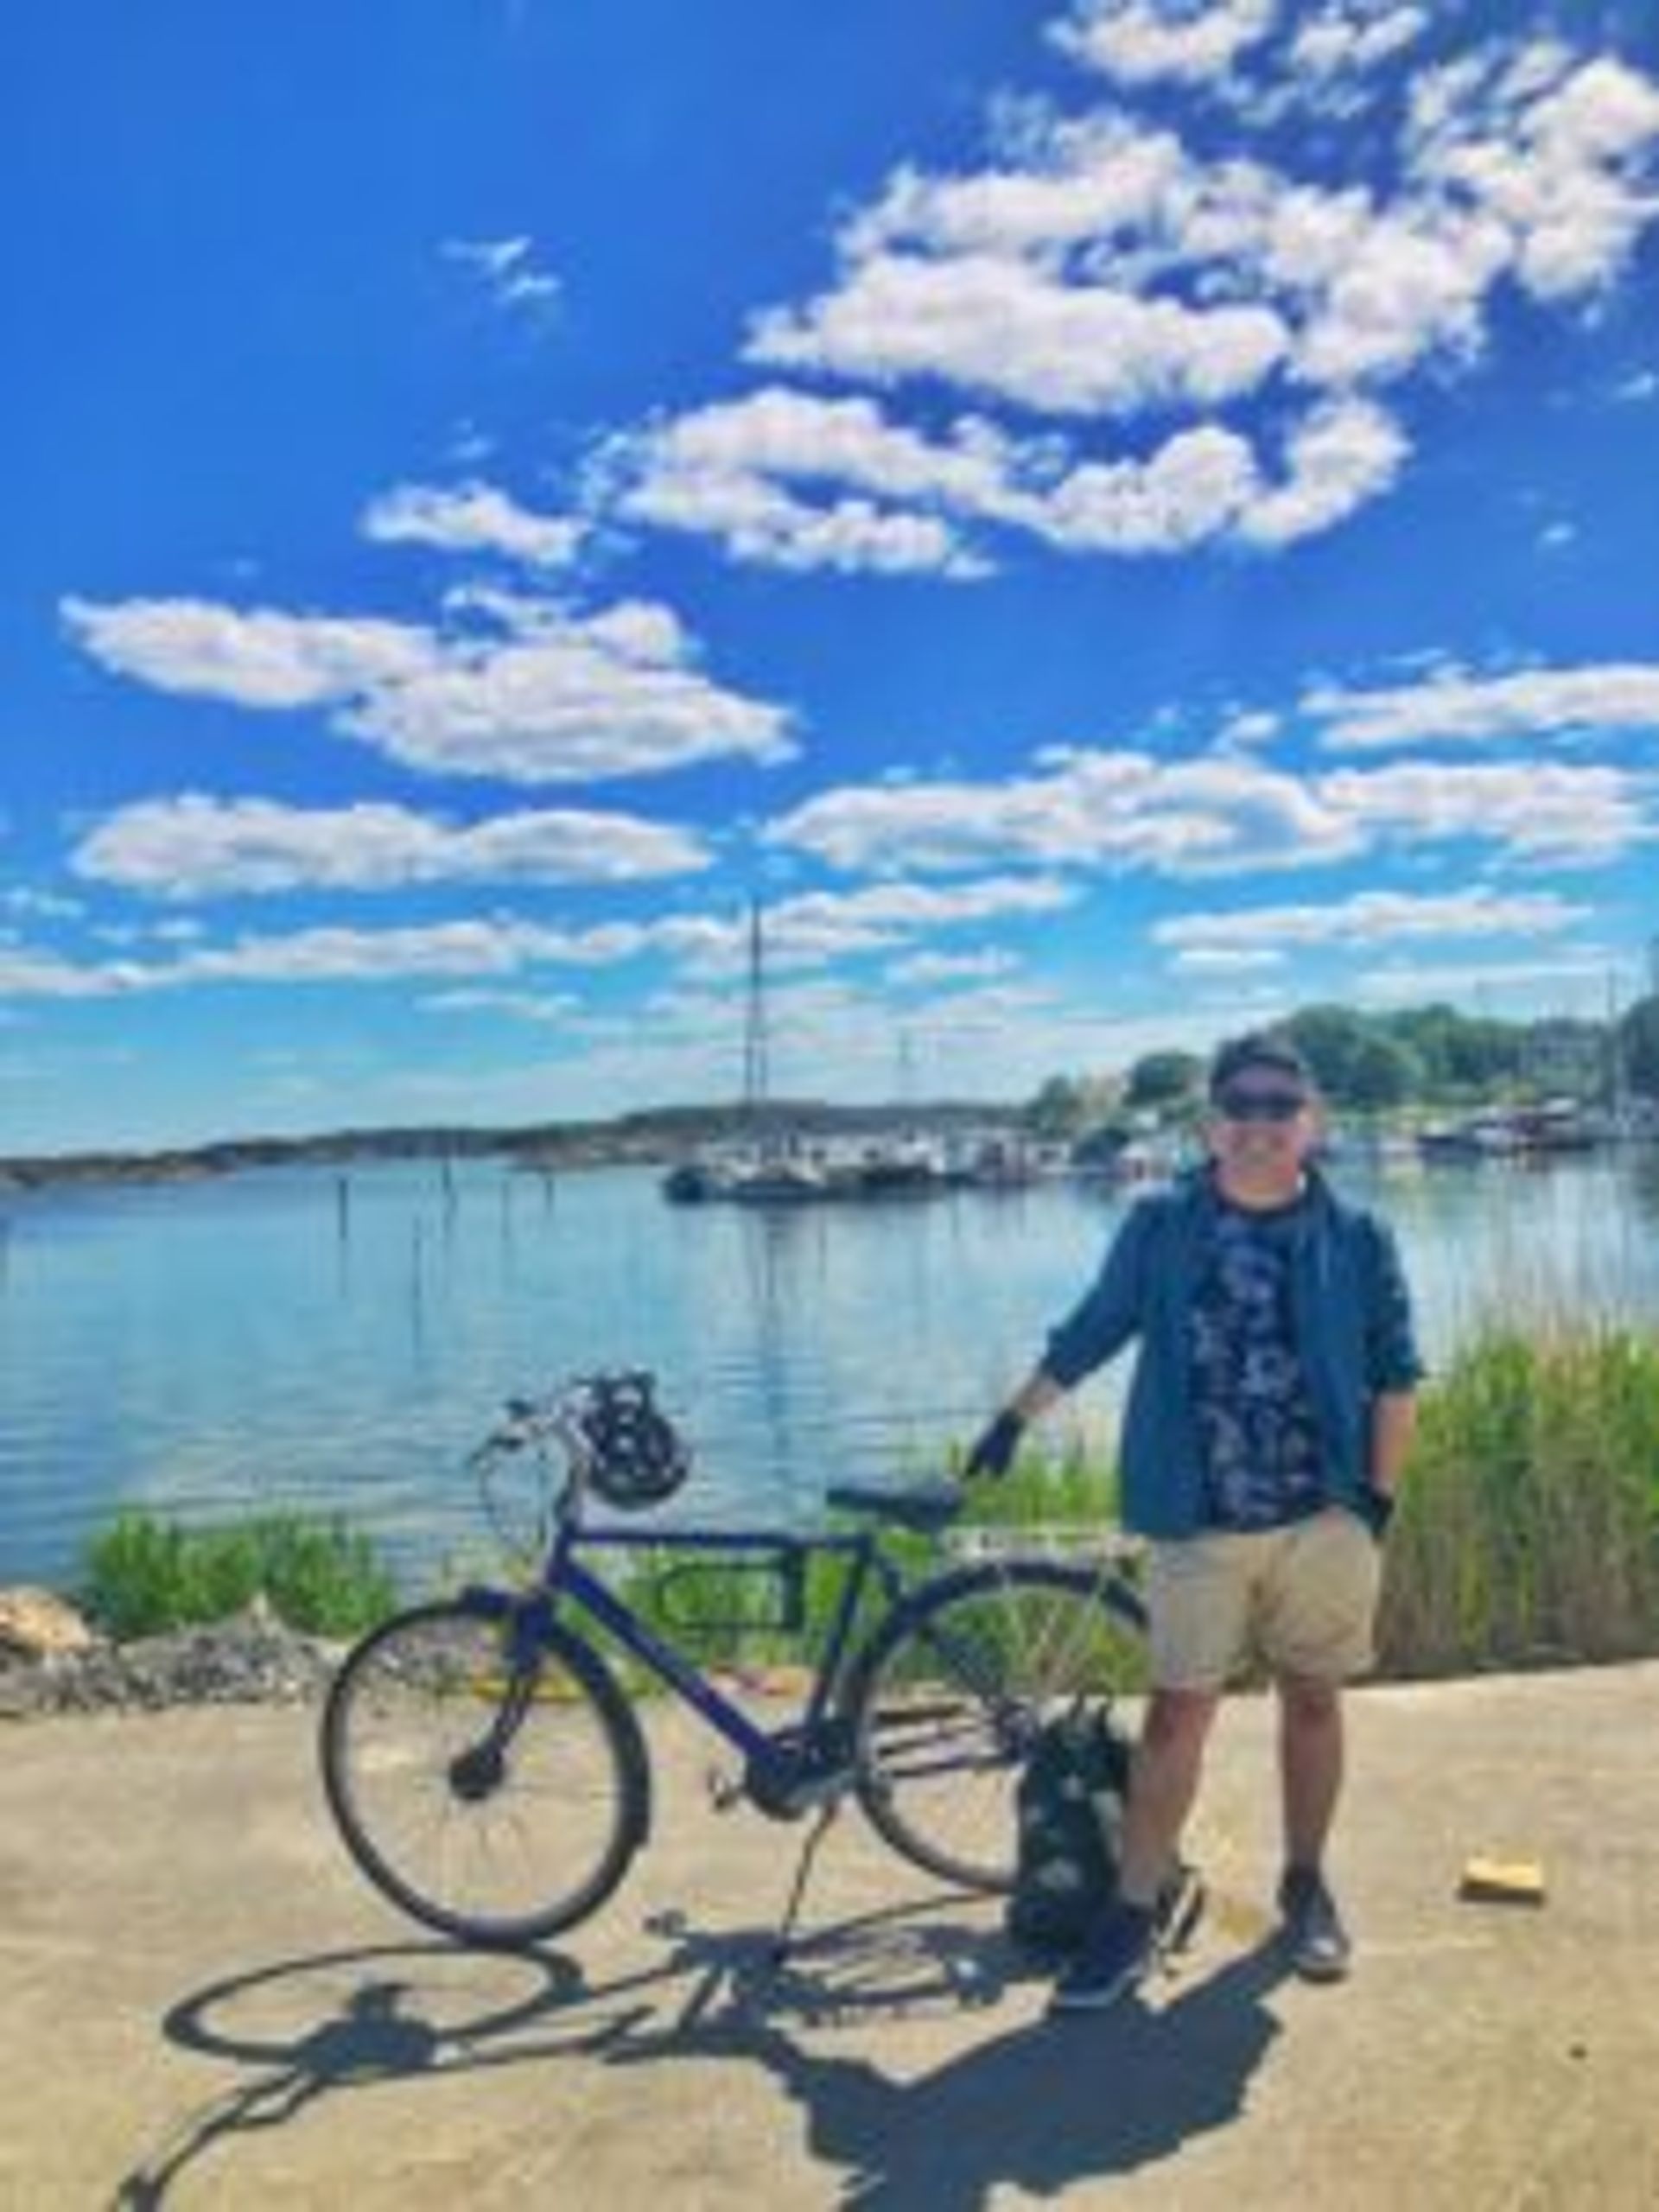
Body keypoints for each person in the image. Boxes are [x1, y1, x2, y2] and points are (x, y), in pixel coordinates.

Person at [966, 1031, 1421, 2014]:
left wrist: (1376, 1503)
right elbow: (1093, 1328)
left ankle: (1305, 1884)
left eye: (1279, 1106)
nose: (1260, 1124)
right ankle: (1130, 1909)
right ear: (1212, 1123)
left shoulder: (1359, 1237)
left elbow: (1398, 1374)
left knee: (1313, 1701)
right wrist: (1015, 1416)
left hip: (1324, 1519)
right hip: (1195, 1521)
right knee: (1177, 1715)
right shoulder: (1162, 1226)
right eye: (1241, 1106)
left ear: (1312, 1121)